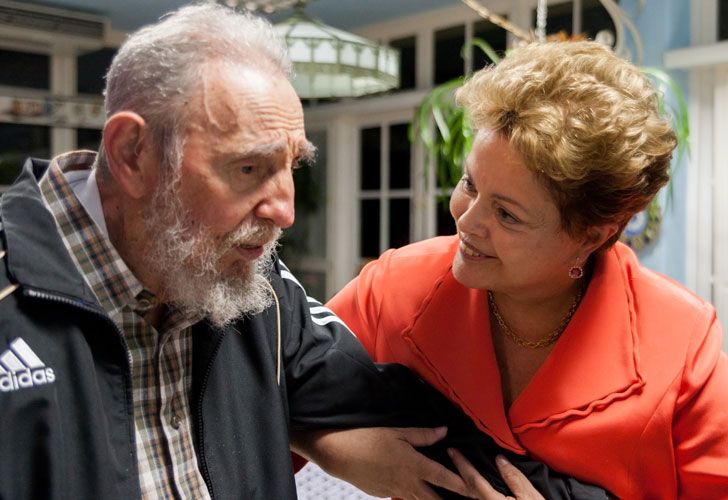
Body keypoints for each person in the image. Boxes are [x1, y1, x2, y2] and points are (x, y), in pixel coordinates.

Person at [0, 4, 481, 498]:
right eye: (248, 168)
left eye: (292, 166)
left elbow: (390, 410)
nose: (285, 212)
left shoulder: (255, 284)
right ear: (132, 154)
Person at [327, 41, 728, 499]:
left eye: (507, 215)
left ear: (592, 235)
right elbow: (267, 394)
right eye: (469, 184)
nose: (467, 220)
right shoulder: (396, 285)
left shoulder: (683, 344)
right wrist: (341, 452)